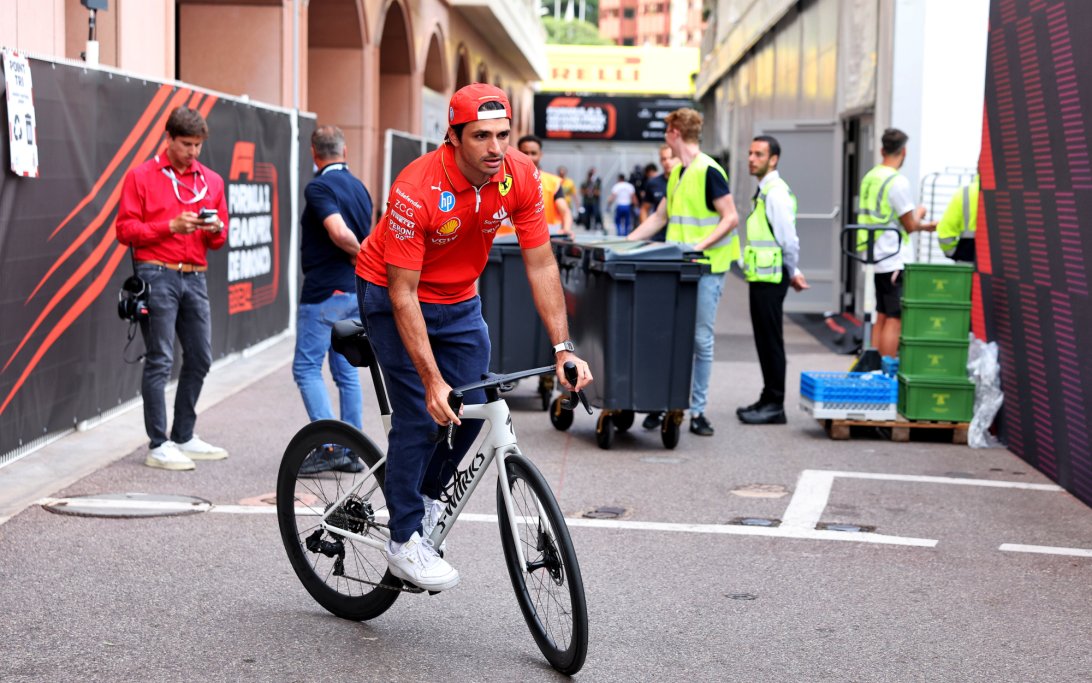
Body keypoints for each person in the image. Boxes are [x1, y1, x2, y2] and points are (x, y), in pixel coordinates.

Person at [354, 84, 593, 591]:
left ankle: (425, 492)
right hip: (392, 291)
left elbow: (541, 262)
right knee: (422, 412)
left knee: (476, 406)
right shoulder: (415, 187)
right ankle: (402, 542)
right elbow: (403, 295)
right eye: (481, 136)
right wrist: (431, 379)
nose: (495, 148)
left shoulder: (519, 176)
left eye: (503, 135)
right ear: (454, 136)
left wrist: (562, 347)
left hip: (460, 298)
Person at [115, 107, 229, 471]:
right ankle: (158, 443)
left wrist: (215, 231)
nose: (193, 151)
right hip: (157, 273)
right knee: (161, 358)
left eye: (198, 145)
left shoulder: (211, 180)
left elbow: (219, 239)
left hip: (195, 274)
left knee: (200, 357)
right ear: (169, 139)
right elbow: (124, 230)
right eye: (186, 144)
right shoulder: (141, 176)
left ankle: (183, 435)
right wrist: (169, 226)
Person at [627, 108, 740, 436]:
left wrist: (699, 246)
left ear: (675, 132)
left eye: (666, 131)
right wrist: (624, 242)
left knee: (700, 340)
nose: (665, 136)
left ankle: (699, 412)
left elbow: (730, 217)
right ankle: (665, 403)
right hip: (678, 270)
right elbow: (659, 218)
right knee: (669, 337)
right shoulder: (678, 174)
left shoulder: (709, 171)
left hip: (705, 268)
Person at [293, 125, 374, 474]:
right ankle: (351, 448)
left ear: (314, 153)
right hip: (353, 291)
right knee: (346, 372)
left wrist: (361, 256)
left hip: (324, 292)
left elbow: (339, 232)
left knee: (306, 368)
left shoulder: (320, 186)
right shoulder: (360, 187)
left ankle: (330, 447)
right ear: (345, 151)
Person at [737, 136, 809, 425]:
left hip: (772, 277)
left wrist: (792, 271)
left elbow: (789, 240)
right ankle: (768, 397)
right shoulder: (765, 190)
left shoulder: (776, 193)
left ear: (773, 159)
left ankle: (775, 404)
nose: (751, 158)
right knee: (765, 340)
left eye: (759, 154)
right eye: (750, 153)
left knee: (771, 341)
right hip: (763, 276)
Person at [856, 128, 937, 358]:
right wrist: (923, 218)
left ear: (882, 150)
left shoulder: (870, 177)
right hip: (893, 257)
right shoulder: (897, 182)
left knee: (881, 314)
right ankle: (886, 369)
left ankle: (874, 367)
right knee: (895, 317)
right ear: (904, 151)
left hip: (875, 254)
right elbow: (910, 225)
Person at [516, 135, 574, 236]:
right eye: (525, 153)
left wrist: (566, 229)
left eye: (533, 153)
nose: (529, 157)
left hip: (544, 242)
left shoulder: (553, 182)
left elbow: (565, 212)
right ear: (517, 154)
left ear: (540, 155)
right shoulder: (502, 179)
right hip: (507, 243)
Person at [935, 174, 978, 263]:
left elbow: (944, 233)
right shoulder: (1012, 192)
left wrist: (954, 253)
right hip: (1006, 265)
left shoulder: (965, 193)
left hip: (967, 262)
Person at [640, 144, 680, 236]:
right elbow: (644, 209)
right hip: (659, 236)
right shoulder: (653, 183)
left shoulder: (685, 181)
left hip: (680, 236)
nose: (667, 162)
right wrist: (647, 232)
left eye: (670, 158)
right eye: (664, 159)